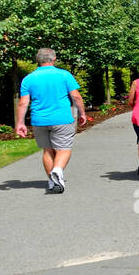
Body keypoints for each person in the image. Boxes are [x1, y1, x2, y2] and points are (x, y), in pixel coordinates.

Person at [15, 48, 89, 193]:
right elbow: (76, 96)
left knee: (47, 151)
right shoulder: (64, 75)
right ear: (54, 59)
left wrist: (20, 123)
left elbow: (23, 103)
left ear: (38, 60)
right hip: (62, 119)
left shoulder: (29, 78)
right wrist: (82, 113)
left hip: (39, 120)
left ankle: (52, 181)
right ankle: (57, 170)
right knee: (63, 149)